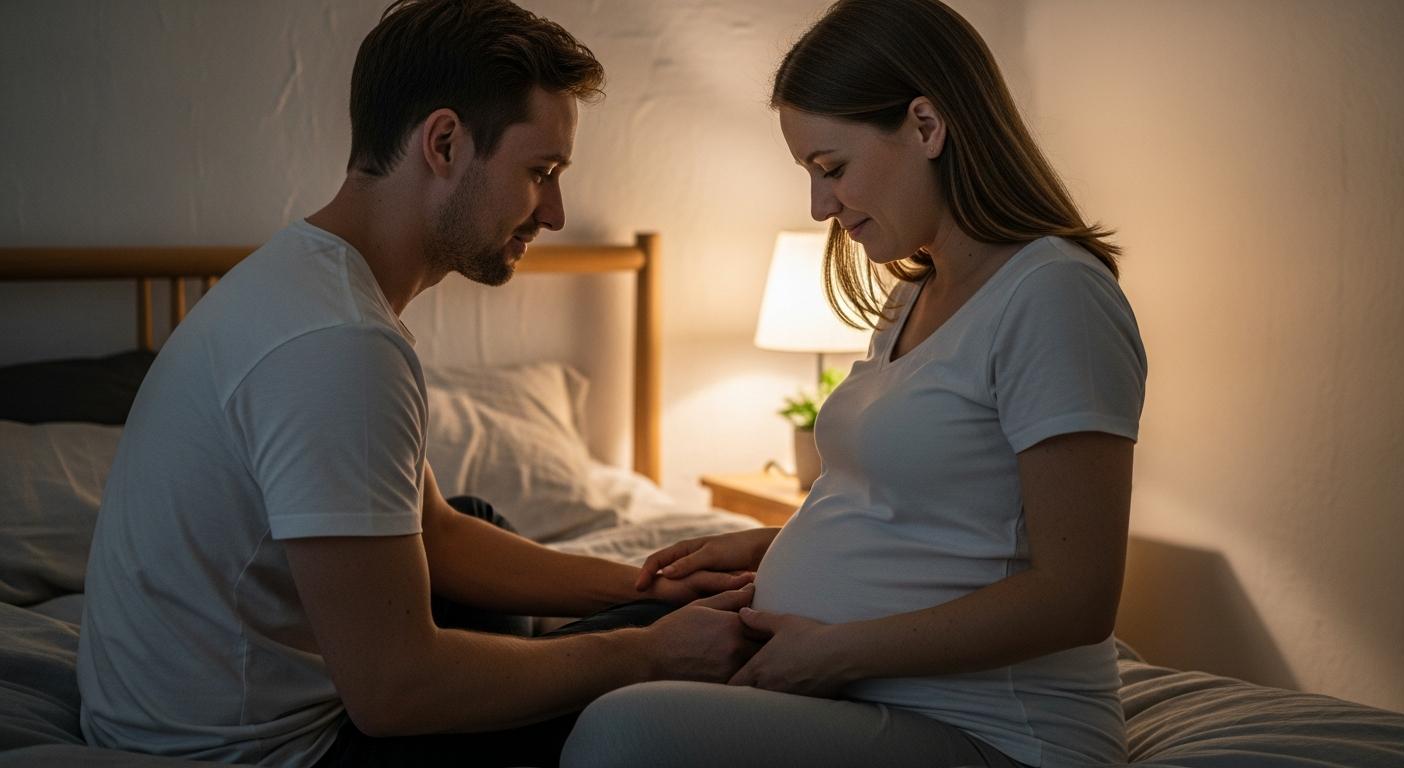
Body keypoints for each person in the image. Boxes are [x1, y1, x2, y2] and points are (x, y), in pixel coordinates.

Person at [75, 2, 758, 767]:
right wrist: (649, 651)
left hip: (160, 720)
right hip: (261, 755)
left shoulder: (302, 281)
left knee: (475, 520)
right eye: (541, 172)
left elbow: (437, 531)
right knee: (698, 659)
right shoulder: (338, 344)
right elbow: (394, 692)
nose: (556, 213)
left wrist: (642, 587)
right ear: (444, 143)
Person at [563, 1, 1148, 766]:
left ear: (927, 126)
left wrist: (834, 652)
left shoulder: (1054, 295)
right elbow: (926, 521)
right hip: (873, 697)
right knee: (582, 664)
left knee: (623, 729)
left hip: (997, 732)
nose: (819, 206)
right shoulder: (914, 293)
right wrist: (765, 548)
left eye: (831, 168)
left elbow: (1077, 597)